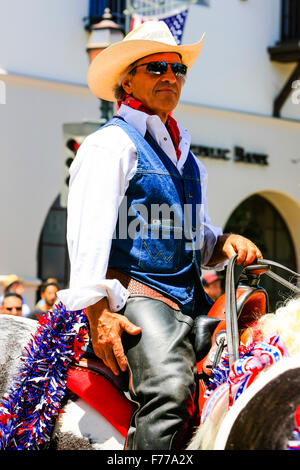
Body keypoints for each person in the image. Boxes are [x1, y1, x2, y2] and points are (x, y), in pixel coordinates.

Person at [58, 21, 262, 450]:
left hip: (192, 301)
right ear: (127, 78)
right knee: (170, 392)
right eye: (156, 68)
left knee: (250, 373)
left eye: (177, 69)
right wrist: (99, 315)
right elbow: (87, 235)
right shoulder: (109, 145)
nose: (171, 76)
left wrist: (222, 243)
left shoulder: (187, 158)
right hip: (138, 299)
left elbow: (192, 236)